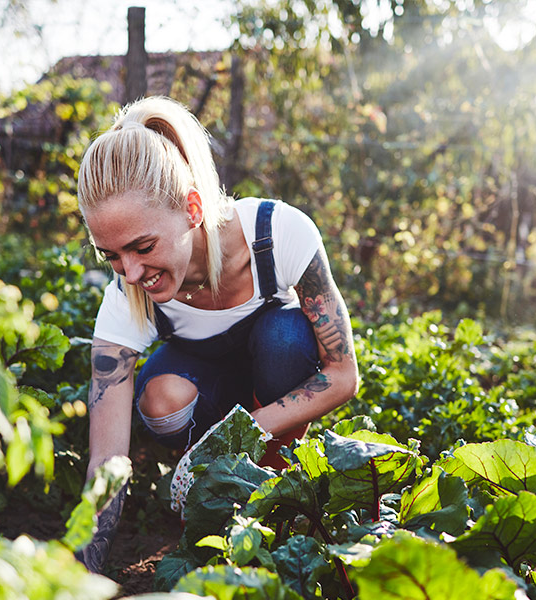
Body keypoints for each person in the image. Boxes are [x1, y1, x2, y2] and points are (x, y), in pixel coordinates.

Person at [74, 96, 358, 573]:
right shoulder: (124, 298)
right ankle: (204, 489)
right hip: (208, 379)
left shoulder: (278, 234)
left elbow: (344, 374)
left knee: (285, 341)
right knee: (161, 402)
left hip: (274, 374)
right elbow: (106, 460)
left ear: (191, 208)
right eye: (112, 256)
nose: (131, 272)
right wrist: (83, 575)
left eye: (143, 247)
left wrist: (232, 438)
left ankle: (269, 477)